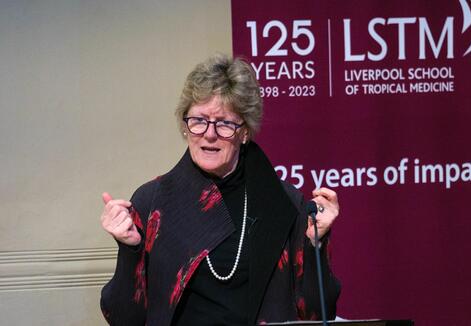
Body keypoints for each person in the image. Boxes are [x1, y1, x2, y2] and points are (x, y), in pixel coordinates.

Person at [99, 54, 341, 325]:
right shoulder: (152, 202)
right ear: (185, 126)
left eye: (224, 123)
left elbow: (318, 314)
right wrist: (129, 250)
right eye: (199, 120)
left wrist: (316, 244)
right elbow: (124, 319)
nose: (209, 134)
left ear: (245, 131)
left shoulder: (285, 203)